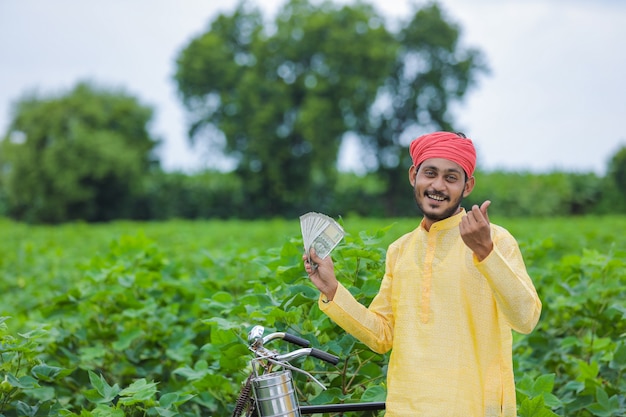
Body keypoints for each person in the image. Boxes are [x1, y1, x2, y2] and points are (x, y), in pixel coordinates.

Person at [303, 131, 542, 416]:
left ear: (468, 186)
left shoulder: (495, 240)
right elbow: (382, 335)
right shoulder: (400, 250)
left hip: (472, 407)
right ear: (413, 175)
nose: (438, 186)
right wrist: (332, 291)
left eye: (451, 177)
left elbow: (526, 319)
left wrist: (486, 253)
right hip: (406, 407)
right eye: (430, 173)